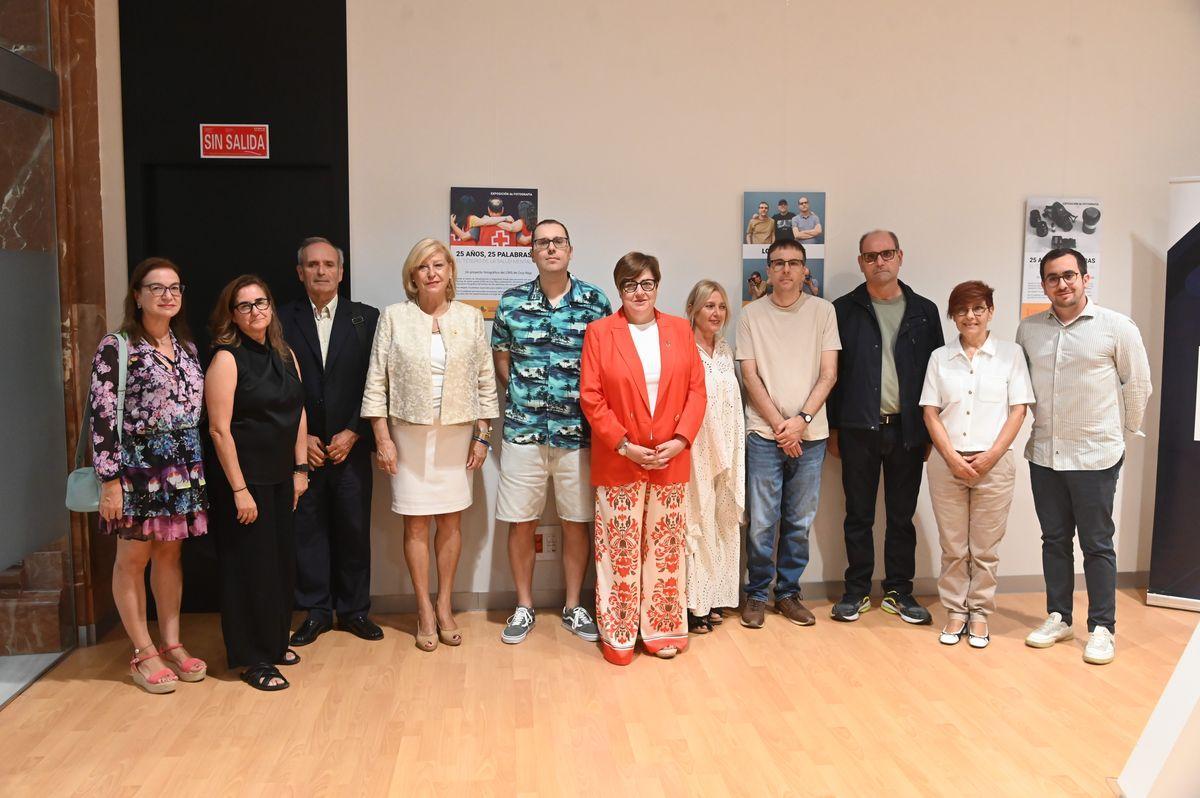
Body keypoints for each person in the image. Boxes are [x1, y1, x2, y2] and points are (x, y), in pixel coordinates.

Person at [362, 238, 498, 652]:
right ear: (413, 276)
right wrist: (382, 438)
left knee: (452, 523)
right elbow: (376, 381)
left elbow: (485, 381)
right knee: (416, 522)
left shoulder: (471, 319)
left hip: (457, 434)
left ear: (451, 271)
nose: (433, 272)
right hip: (407, 434)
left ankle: (445, 606)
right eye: (424, 266)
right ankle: (422, 607)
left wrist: (482, 435)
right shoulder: (394, 317)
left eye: (439, 264)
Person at [1017, 248, 1151, 665]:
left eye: (1070, 275)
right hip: (1045, 455)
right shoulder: (1029, 330)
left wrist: (1121, 435)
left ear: (1085, 278)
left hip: (1096, 456)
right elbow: (1022, 388)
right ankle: (1059, 616)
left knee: (1096, 545)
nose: (1062, 284)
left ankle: (1102, 628)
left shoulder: (1116, 327)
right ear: (1044, 285)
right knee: (1054, 541)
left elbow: (1139, 385)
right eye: (1053, 278)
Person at [88, 257, 208, 694]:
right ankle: (143, 652)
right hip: (136, 470)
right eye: (156, 287)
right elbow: (102, 417)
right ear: (137, 295)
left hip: (181, 469)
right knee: (132, 559)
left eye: (175, 287)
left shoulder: (187, 347)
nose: (167, 294)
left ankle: (171, 643)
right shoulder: (116, 347)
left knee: (170, 555)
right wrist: (109, 480)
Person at [580, 252, 706, 665]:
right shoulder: (600, 333)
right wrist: (623, 444)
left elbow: (695, 393)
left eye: (647, 283)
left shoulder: (681, 329)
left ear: (658, 286)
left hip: (670, 458)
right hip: (620, 459)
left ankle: (662, 629)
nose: (639, 292)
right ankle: (618, 633)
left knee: (665, 550)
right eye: (630, 285)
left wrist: (682, 439)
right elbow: (591, 396)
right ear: (619, 289)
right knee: (619, 550)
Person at [491, 220, 612, 645]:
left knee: (576, 521)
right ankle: (523, 605)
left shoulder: (596, 302)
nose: (551, 248)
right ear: (533, 253)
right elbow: (501, 358)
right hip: (524, 431)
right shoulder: (510, 303)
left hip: (578, 434)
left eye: (558, 241)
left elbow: (607, 365)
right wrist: (524, 396)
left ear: (570, 250)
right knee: (521, 521)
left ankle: (573, 605)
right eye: (542, 242)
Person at [827, 230, 944, 624]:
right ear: (861, 262)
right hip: (857, 427)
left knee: (901, 515)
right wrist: (833, 428)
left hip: (907, 431)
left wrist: (929, 432)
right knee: (858, 515)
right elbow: (831, 374)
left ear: (900, 257)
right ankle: (856, 591)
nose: (880, 262)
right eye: (871, 256)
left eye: (887, 254)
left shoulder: (924, 311)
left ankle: (899, 591)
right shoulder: (842, 310)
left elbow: (936, 376)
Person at [206, 275, 308, 692]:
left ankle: (272, 641)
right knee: (248, 569)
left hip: (282, 479)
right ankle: (252, 658)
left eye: (260, 302)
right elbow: (218, 430)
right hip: (244, 482)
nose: (255, 311)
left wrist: (301, 471)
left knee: (279, 565)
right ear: (232, 314)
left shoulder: (285, 354)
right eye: (244, 305)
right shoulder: (227, 359)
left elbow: (299, 412)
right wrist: (239, 489)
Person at [282, 237, 383, 647]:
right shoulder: (281, 320)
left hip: (351, 444)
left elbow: (379, 381)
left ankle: (356, 610)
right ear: (300, 272)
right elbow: (277, 384)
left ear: (342, 272)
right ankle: (317, 611)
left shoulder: (366, 319)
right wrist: (298, 436)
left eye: (329, 264)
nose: (321, 271)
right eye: (312, 264)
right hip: (302, 448)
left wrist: (355, 429)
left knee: (355, 530)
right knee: (307, 530)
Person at [920, 281, 1033, 648]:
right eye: (962, 310)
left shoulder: (1011, 355)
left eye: (978, 309)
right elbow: (931, 413)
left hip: (994, 464)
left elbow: (1018, 411)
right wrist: (952, 457)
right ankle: (955, 610)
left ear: (990, 312)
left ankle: (980, 612)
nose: (970, 316)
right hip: (946, 463)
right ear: (952, 316)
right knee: (954, 546)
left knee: (985, 547)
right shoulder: (940, 357)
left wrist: (990, 456)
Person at [737, 241, 840, 628]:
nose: (785, 270)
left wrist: (801, 420)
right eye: (778, 263)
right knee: (763, 521)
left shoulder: (823, 311)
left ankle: (789, 594)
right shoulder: (751, 315)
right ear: (767, 270)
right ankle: (758, 593)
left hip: (810, 436)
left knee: (798, 521)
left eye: (793, 263)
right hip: (764, 435)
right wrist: (782, 427)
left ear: (804, 271)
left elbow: (829, 373)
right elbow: (750, 376)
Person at [683, 279, 744, 633]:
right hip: (697, 451)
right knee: (698, 520)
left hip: (730, 448)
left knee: (722, 521)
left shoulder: (725, 351)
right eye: (709, 305)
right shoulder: (684, 350)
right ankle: (694, 604)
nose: (716, 313)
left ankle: (716, 596)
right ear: (692, 309)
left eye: (721, 306)